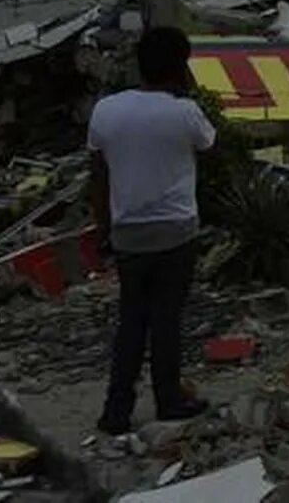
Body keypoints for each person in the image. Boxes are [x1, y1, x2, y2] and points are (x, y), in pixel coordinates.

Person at [89, 26, 215, 434]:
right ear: (180, 66)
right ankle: (169, 398)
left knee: (131, 320)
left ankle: (116, 409)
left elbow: (98, 176)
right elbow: (208, 146)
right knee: (166, 319)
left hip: (128, 231)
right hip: (176, 230)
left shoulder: (106, 110)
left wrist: (102, 229)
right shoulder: (184, 113)